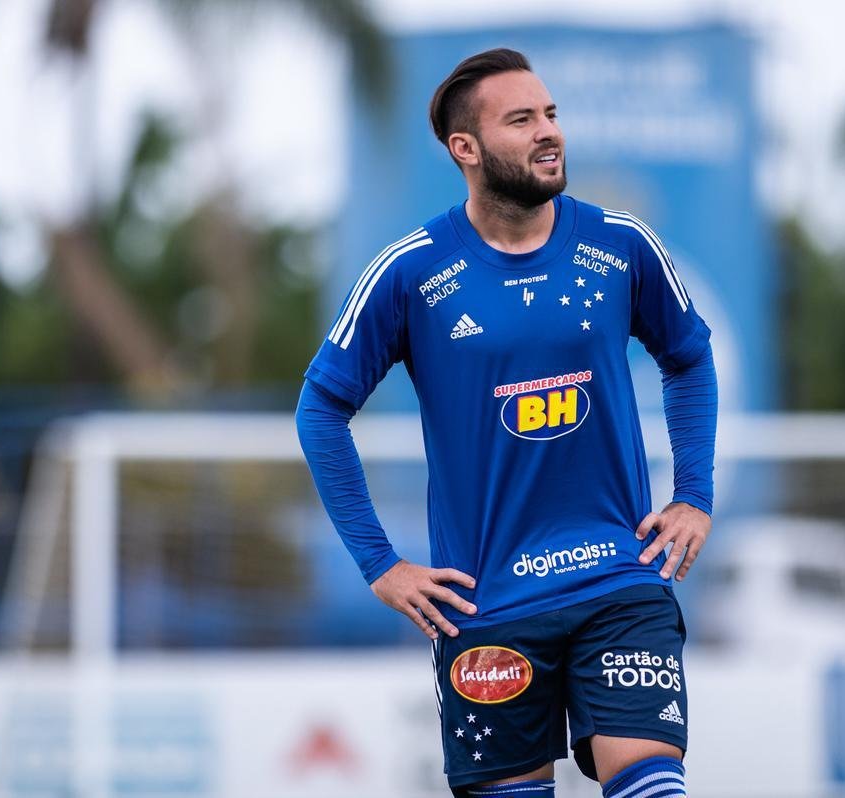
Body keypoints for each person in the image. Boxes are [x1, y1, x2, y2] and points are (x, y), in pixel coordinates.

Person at [297, 47, 717, 798]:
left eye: (551, 114)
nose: (548, 132)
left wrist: (694, 493)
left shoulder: (618, 245)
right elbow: (320, 409)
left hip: (618, 582)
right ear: (466, 149)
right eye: (521, 120)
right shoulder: (412, 271)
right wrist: (380, 565)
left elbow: (689, 356)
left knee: (654, 787)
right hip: (486, 606)